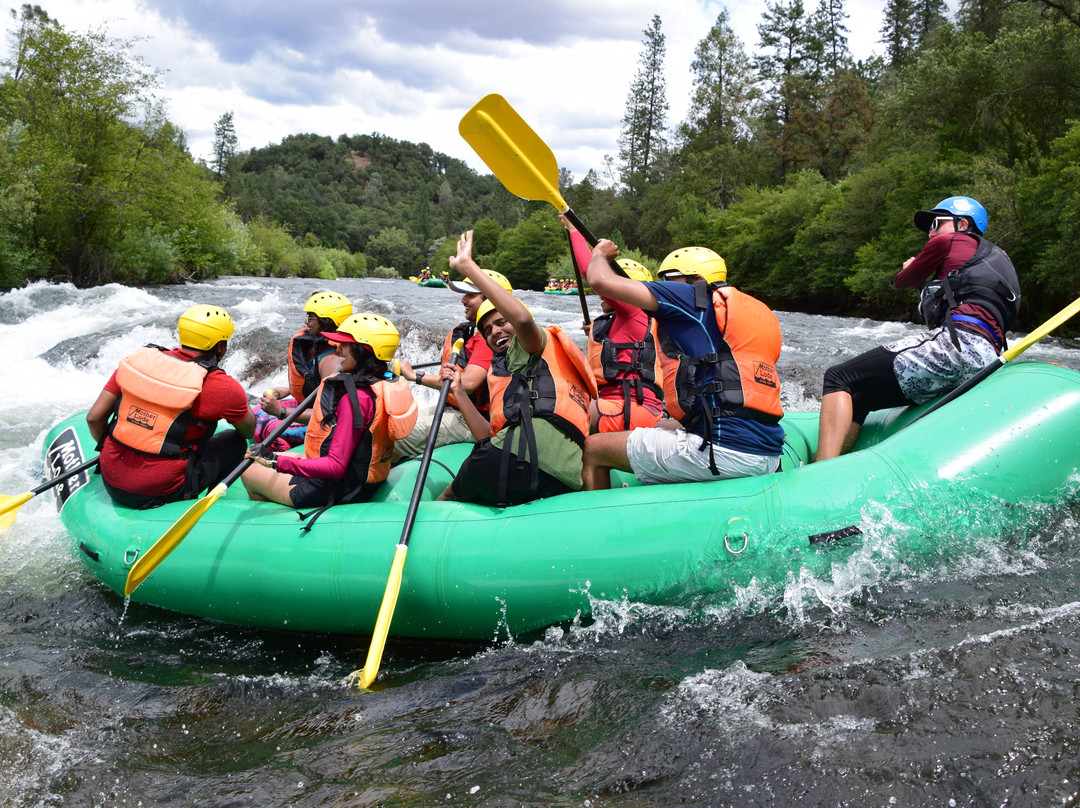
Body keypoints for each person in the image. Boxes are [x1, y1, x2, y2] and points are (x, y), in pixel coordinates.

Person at [814, 195, 1020, 461]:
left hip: (957, 346)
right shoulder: (997, 260)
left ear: (963, 225)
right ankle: (838, 461)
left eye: (937, 223)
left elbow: (902, 281)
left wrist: (911, 267)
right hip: (985, 362)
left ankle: (820, 468)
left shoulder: (949, 242)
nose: (931, 232)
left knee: (838, 377)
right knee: (860, 398)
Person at [580, 242, 784, 490]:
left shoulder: (693, 297)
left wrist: (600, 254)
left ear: (697, 279)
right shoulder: (756, 312)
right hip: (769, 451)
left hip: (724, 452)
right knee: (658, 426)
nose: (664, 285)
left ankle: (596, 522)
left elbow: (600, 281)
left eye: (670, 278)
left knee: (593, 448)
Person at [436, 230, 597, 506]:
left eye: (500, 322)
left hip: (524, 462)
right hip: (563, 475)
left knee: (450, 492)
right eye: (487, 330)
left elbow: (522, 320)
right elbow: (489, 434)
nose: (495, 332)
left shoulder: (532, 344)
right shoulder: (501, 370)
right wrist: (460, 392)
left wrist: (467, 267)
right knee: (484, 458)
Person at [241, 313, 417, 513]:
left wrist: (275, 460)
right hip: (363, 479)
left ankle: (279, 527)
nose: (338, 349)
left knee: (248, 470)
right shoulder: (383, 382)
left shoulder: (356, 398)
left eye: (345, 345)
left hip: (335, 488)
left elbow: (335, 466)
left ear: (363, 349)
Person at [86, 304, 256, 509]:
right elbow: (248, 430)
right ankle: (207, 507)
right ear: (220, 347)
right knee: (235, 441)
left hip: (111, 477)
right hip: (163, 488)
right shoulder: (222, 385)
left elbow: (94, 418)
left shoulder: (137, 361)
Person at [393, 268, 514, 458]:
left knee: (396, 436)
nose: (463, 300)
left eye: (470, 295)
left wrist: (415, 376)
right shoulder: (482, 334)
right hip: (460, 409)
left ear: (492, 298)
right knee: (392, 423)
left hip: (475, 420)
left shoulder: (489, 339)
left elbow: (468, 384)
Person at [564, 221, 664, 434]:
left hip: (628, 407)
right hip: (624, 405)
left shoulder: (635, 310)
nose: (601, 292)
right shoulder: (626, 319)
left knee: (558, 410)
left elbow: (592, 275)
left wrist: (574, 231)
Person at [255, 291, 351, 449]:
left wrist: (281, 411)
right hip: (308, 406)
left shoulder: (334, 361)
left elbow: (330, 415)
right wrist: (288, 390)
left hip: (323, 423)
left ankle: (287, 458)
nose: (306, 322)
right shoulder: (315, 345)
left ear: (326, 322)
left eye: (311, 318)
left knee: (263, 427)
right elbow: (316, 386)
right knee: (258, 410)